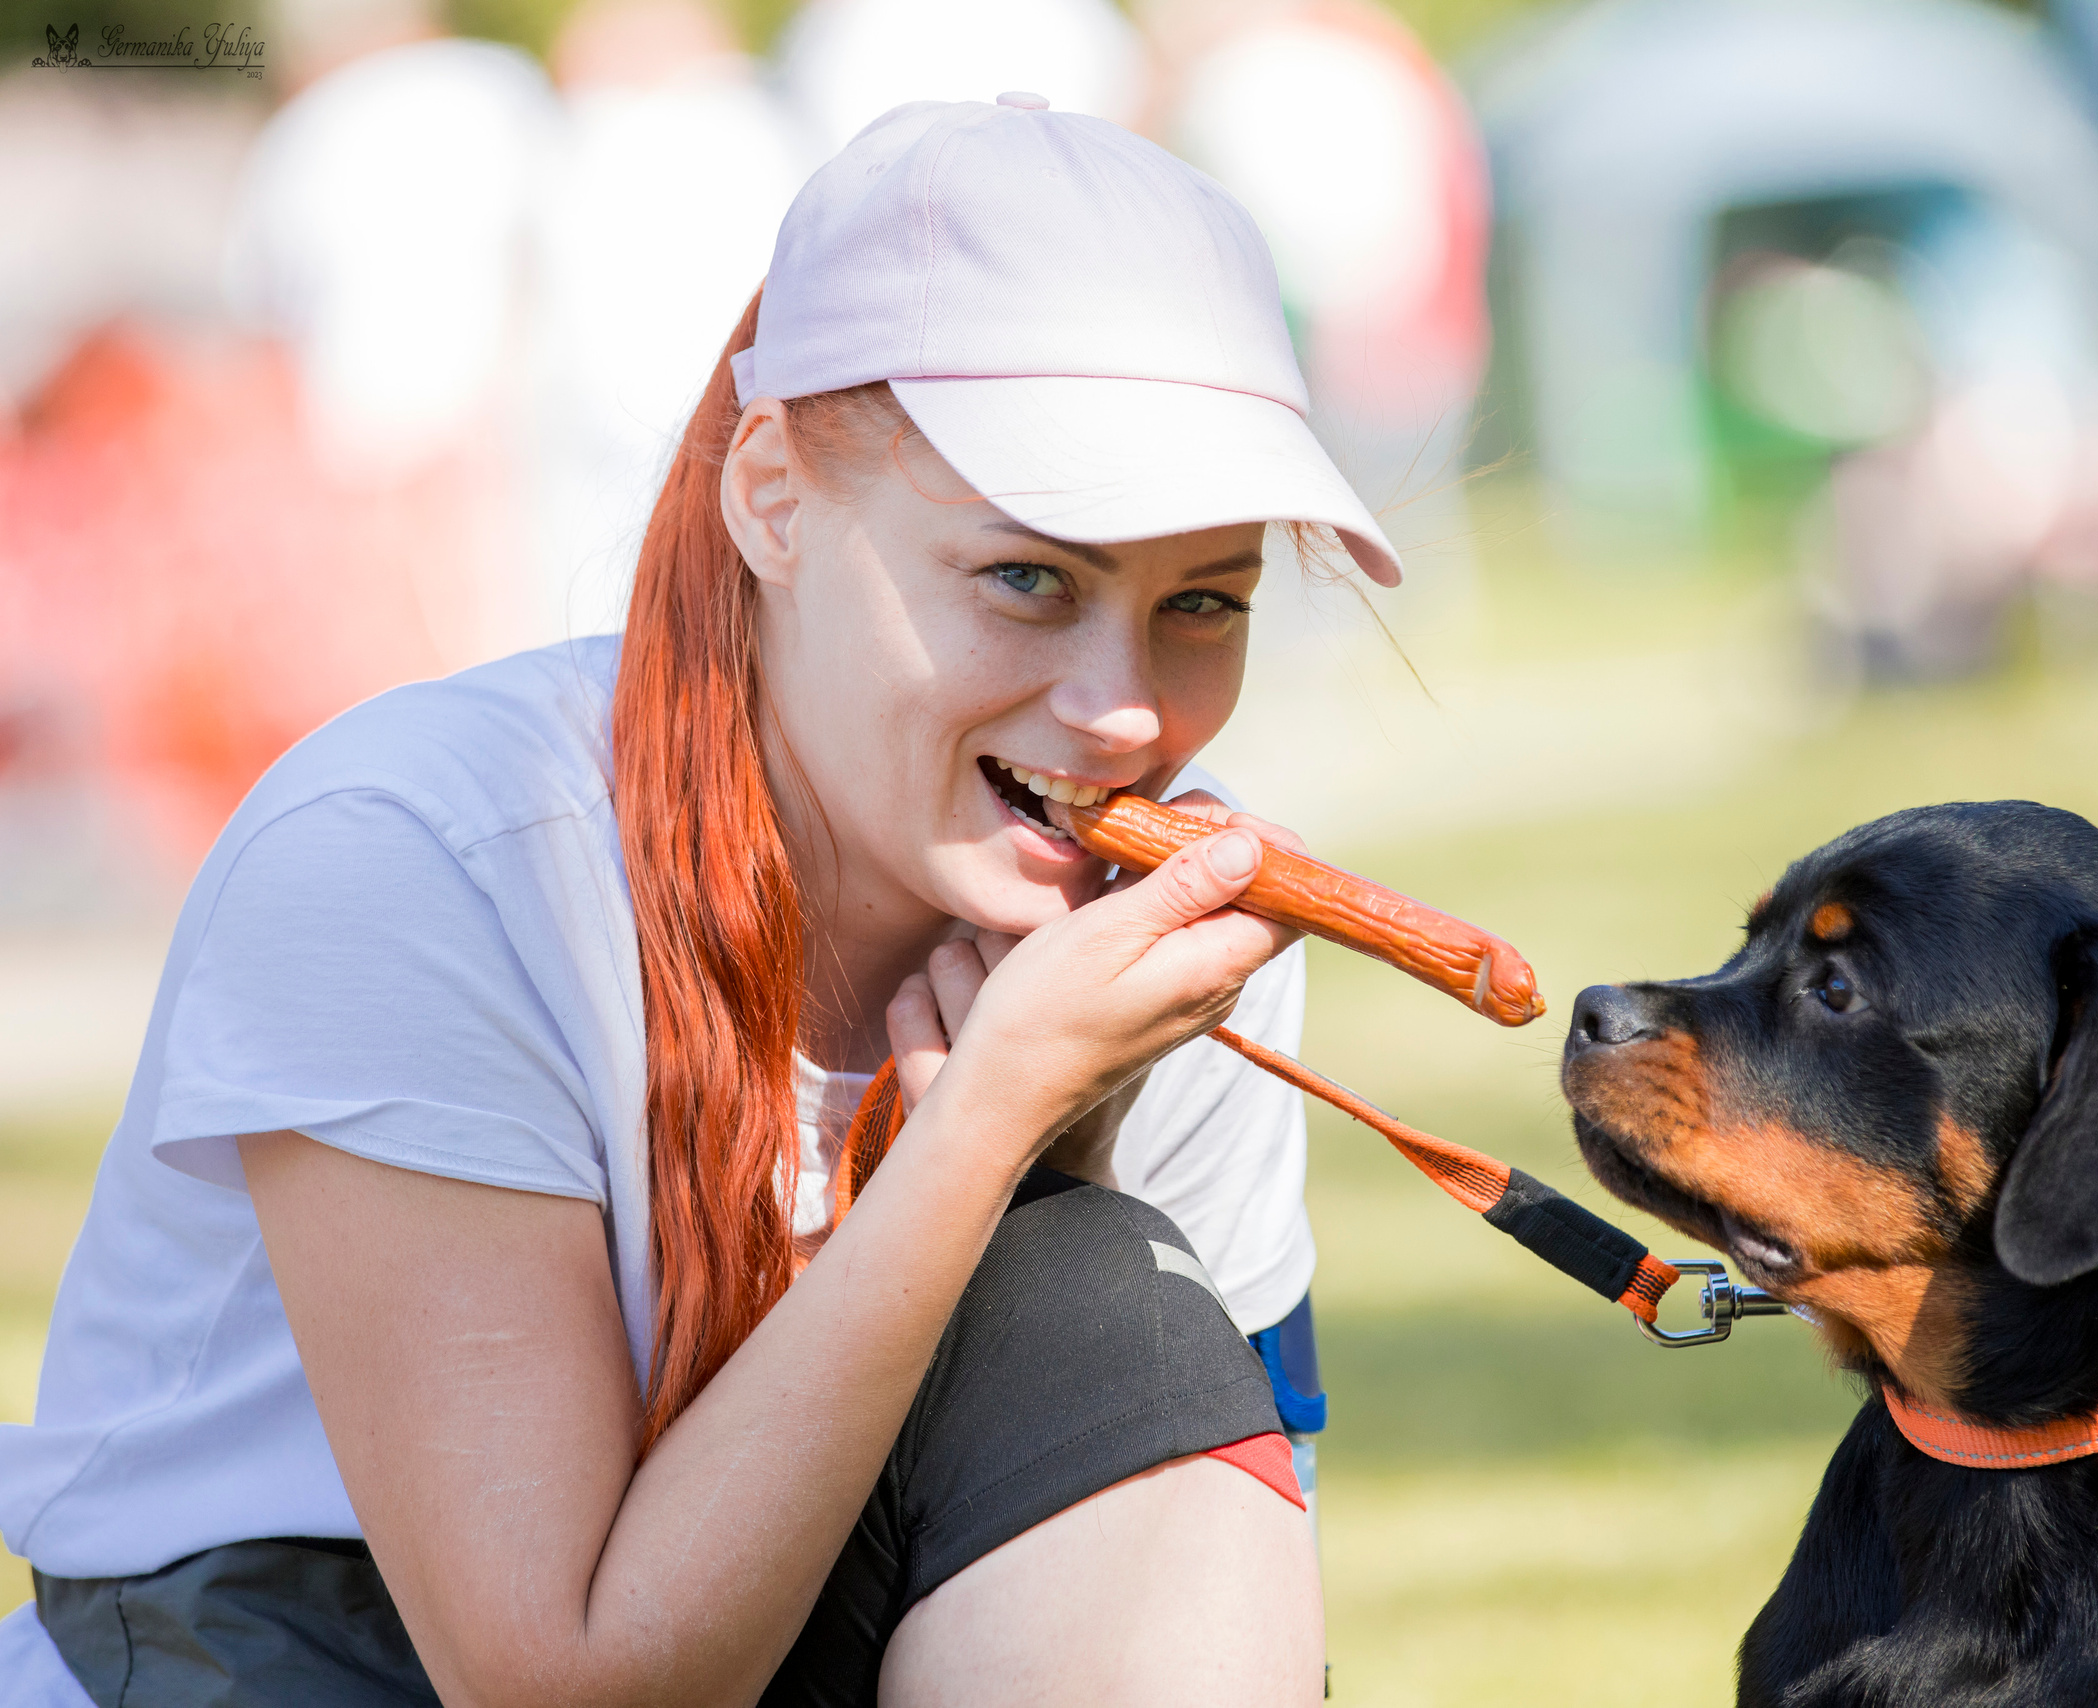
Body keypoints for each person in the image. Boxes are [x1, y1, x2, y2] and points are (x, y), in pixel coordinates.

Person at [0, 95, 1404, 1706]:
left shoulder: (1167, 941)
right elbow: (558, 1686)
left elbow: (1209, 1558)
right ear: (772, 494)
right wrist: (986, 1123)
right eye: (1029, 578)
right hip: (279, 1654)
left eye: (1203, 604)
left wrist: (1047, 1162)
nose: (1124, 716)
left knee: (1097, 1303)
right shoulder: (416, 863)